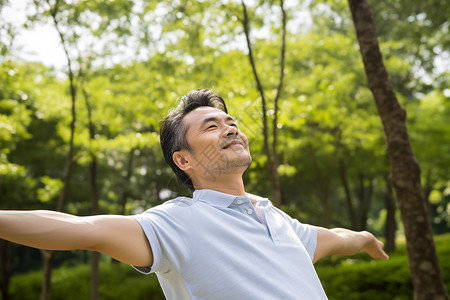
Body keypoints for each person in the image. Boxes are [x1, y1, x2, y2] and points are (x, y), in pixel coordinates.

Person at [0, 89, 389, 299]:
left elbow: (339, 238)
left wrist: (368, 239)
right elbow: (82, 228)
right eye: (211, 127)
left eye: (231, 122)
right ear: (182, 160)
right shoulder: (178, 223)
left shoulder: (278, 221)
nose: (231, 128)